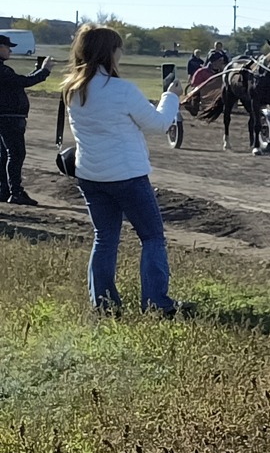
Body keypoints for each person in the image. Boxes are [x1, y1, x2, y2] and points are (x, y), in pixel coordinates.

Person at [60, 25, 181, 314]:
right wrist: (171, 96)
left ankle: (102, 305)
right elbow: (159, 124)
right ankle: (156, 304)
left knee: (105, 238)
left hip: (90, 175)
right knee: (152, 237)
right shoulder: (122, 90)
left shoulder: (72, 89)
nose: (121, 54)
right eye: (118, 48)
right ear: (109, 52)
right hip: (127, 176)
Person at [1, 33, 53, 205]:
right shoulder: (2, 70)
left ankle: (5, 190)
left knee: (5, 155)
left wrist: (38, 70)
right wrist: (44, 71)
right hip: (9, 118)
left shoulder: (3, 70)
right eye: (7, 47)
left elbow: (19, 82)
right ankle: (15, 192)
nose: (10, 51)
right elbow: (23, 82)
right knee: (16, 154)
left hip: (7, 118)